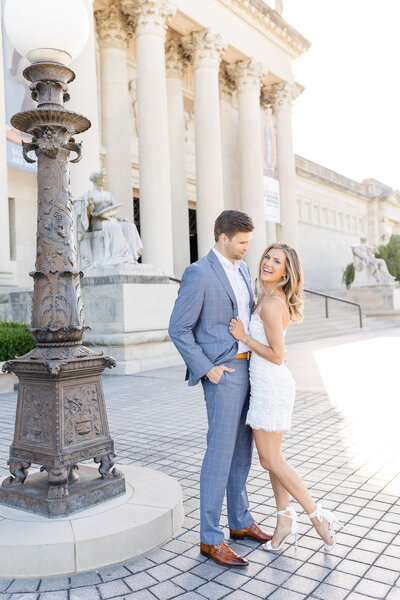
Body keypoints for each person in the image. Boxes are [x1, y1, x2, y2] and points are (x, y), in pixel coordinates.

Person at [168, 210, 272, 568]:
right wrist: (207, 369)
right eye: (242, 242)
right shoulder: (198, 272)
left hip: (251, 368)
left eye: (249, 242)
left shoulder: (242, 269)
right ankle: (210, 539)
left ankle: (240, 523)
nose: (247, 249)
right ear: (223, 238)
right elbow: (178, 328)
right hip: (224, 374)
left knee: (242, 452)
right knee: (219, 454)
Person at [229, 243, 344, 553]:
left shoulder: (270, 304)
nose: (267, 263)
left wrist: (245, 338)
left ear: (285, 272)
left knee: (270, 459)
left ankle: (317, 516)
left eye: (276, 261)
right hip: (267, 382)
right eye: (267, 257)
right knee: (274, 461)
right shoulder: (265, 298)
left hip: (271, 384)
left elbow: (278, 356)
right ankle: (284, 519)